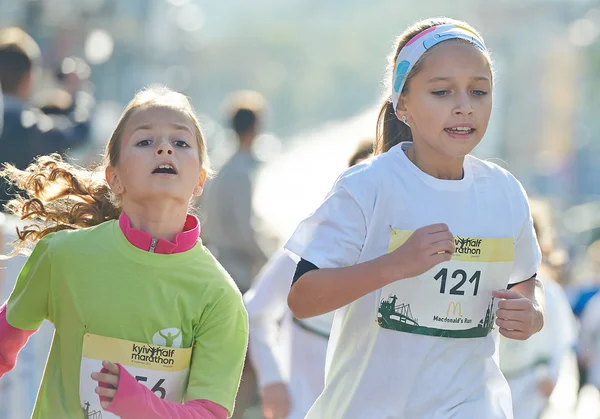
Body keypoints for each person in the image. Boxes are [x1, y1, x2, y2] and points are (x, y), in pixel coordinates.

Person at [285, 17, 545, 418]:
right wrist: (396, 265)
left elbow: (526, 282)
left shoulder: (504, 192)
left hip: (472, 405)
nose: (464, 106)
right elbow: (302, 298)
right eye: (442, 92)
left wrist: (531, 314)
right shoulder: (367, 187)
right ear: (402, 104)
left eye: (479, 91)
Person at [0, 87, 248, 419]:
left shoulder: (219, 295)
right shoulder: (62, 255)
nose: (164, 148)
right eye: (145, 142)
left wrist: (139, 404)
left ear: (199, 180)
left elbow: (209, 413)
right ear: (115, 178)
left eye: (181, 143)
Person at [245, 140, 373, 419]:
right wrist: (272, 381)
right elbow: (256, 312)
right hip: (300, 410)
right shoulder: (306, 255)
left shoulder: (403, 265)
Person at [500, 199, 578, 419]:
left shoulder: (549, 292)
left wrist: (551, 376)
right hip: (488, 387)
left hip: (530, 387)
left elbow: (562, 342)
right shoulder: (487, 284)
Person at [0, 27, 90, 209]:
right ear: (28, 78)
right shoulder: (31, 127)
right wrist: (78, 93)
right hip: (15, 228)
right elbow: (78, 131)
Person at [201, 90, 269, 295]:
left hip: (219, 264)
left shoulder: (222, 167)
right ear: (256, 128)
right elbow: (244, 230)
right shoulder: (240, 173)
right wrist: (268, 259)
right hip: (237, 272)